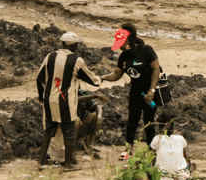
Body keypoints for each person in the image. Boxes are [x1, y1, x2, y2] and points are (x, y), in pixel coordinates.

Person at [34, 32, 104, 166]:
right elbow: (92, 80)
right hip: (65, 101)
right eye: (77, 43)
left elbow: (39, 79)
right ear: (74, 45)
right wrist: (101, 79)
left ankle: (41, 161)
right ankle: (67, 163)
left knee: (49, 131)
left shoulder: (50, 56)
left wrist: (42, 97)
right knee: (69, 130)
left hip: (50, 100)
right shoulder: (76, 60)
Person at [107, 23, 162, 154]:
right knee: (132, 121)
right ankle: (128, 149)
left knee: (149, 121)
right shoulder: (124, 56)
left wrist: (152, 90)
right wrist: (103, 78)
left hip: (150, 94)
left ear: (129, 39)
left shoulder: (146, 50)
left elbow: (156, 69)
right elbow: (117, 74)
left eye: (121, 42)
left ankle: (151, 150)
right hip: (135, 93)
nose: (120, 46)